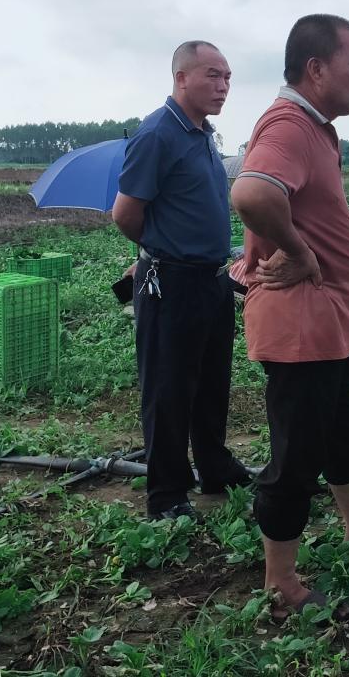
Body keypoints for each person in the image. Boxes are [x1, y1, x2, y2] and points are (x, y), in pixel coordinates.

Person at [230, 14, 349, 617]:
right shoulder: (290, 125)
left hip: (328, 325)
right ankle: (281, 584)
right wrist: (298, 252)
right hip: (299, 329)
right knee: (295, 457)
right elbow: (252, 192)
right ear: (316, 69)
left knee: (345, 431)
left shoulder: (318, 128)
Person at [112, 41, 252, 521]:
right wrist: (162, 250)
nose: (223, 86)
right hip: (171, 281)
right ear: (181, 78)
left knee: (212, 380)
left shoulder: (202, 134)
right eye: (213, 75)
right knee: (168, 389)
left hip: (212, 279)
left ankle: (213, 465)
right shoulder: (158, 134)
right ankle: (167, 493)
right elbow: (126, 214)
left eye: (228, 77)